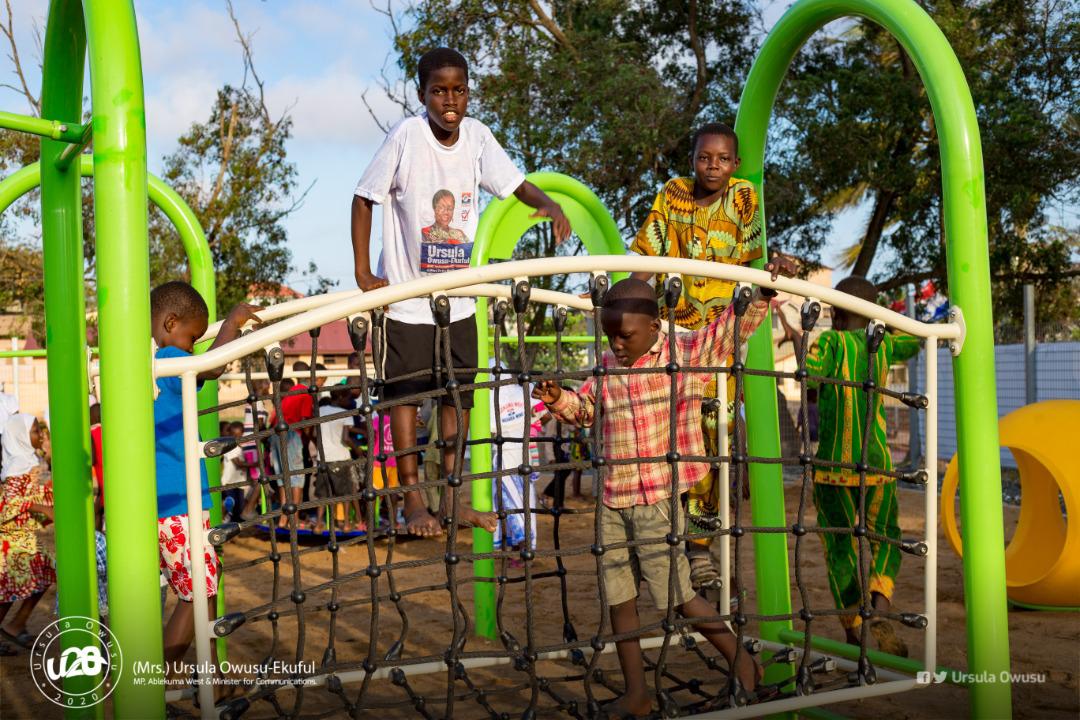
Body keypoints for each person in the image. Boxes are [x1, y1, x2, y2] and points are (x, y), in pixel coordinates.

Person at [533, 276, 787, 713]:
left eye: (626, 336)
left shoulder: (683, 355)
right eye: (611, 335)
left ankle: (742, 662)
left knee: (679, 598)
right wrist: (560, 399)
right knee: (619, 597)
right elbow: (587, 412)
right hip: (612, 500)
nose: (617, 344)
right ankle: (637, 694)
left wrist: (761, 294)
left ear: (654, 326)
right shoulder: (606, 366)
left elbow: (729, 329)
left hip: (656, 499)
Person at [350, 47, 570, 536]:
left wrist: (550, 204)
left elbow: (515, 184)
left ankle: (450, 497)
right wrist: (365, 273)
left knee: (458, 401)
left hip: (459, 301)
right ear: (422, 93)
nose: (450, 100)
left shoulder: (477, 137)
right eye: (439, 90)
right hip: (406, 299)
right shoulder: (406, 136)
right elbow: (364, 197)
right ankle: (412, 499)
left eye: (459, 89)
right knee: (404, 400)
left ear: (469, 91)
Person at [628, 122, 775, 592]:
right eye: (703, 158)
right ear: (692, 160)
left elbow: (752, 264)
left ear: (734, 164)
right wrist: (629, 297)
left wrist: (768, 280)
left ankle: (700, 549)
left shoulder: (744, 199)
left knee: (713, 436)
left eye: (722, 159)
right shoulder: (672, 194)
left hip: (721, 337)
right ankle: (653, 540)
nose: (712, 166)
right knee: (660, 433)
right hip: (674, 331)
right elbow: (647, 255)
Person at [777, 275, 919, 657]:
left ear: (838, 314)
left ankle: (855, 628)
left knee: (839, 547)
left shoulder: (831, 341)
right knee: (887, 536)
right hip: (876, 465)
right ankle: (881, 606)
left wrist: (799, 335)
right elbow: (915, 338)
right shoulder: (885, 343)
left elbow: (809, 370)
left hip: (831, 469)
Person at [151, 280, 260, 686]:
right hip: (181, 507)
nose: (194, 347)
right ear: (170, 323)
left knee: (206, 588)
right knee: (195, 595)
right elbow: (212, 366)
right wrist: (233, 320)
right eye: (193, 337)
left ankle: (211, 675)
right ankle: (160, 679)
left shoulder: (164, 367)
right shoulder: (169, 360)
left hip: (179, 505)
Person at [0, 414, 54, 653]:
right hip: (11, 540)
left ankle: (16, 625)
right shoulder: (14, 470)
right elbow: (7, 505)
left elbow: (36, 495)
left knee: (46, 573)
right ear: (20, 436)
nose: (40, 434)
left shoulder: (29, 460)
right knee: (7, 592)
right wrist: (41, 507)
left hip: (26, 536)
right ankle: (14, 625)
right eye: (34, 431)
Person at [489, 369, 538, 560]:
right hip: (517, 456)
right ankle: (517, 549)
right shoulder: (519, 391)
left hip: (507, 458)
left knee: (510, 504)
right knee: (518, 503)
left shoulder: (493, 396)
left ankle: (523, 549)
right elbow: (542, 411)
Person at [314, 387, 364, 534]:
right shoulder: (345, 414)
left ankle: (318, 524)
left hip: (322, 458)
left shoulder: (320, 411)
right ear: (341, 397)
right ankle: (347, 524)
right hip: (341, 458)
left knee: (323, 494)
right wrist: (357, 450)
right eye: (348, 398)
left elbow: (312, 432)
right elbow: (346, 438)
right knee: (346, 493)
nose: (350, 401)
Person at [272, 361, 313, 528]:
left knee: (283, 477)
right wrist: (310, 441)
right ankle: (294, 519)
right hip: (290, 435)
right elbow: (305, 421)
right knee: (296, 478)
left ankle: (283, 519)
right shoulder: (306, 393)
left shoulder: (291, 392)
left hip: (276, 434)